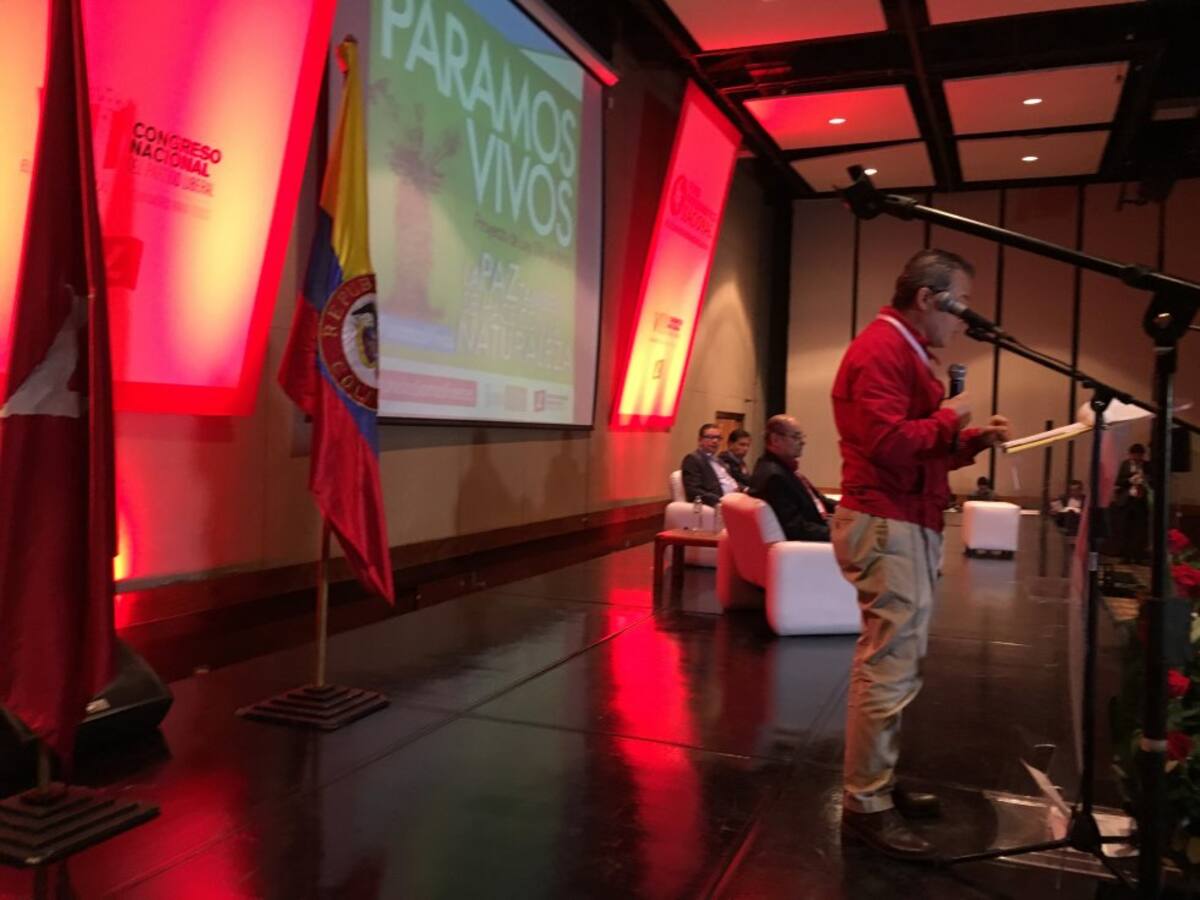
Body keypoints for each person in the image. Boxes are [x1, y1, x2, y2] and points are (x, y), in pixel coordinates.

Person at [830, 248, 1010, 860]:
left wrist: (965, 440)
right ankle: (865, 802)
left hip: (906, 517)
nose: (962, 323)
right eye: (958, 306)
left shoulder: (902, 350)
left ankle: (877, 782)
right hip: (886, 519)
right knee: (888, 664)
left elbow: (915, 445)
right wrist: (948, 420)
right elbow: (887, 442)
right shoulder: (881, 349)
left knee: (897, 663)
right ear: (929, 298)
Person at [749, 415, 835, 541]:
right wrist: (839, 536)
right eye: (796, 437)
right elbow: (795, 528)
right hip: (811, 548)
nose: (802, 441)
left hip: (822, 526)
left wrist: (845, 508)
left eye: (802, 437)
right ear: (775, 440)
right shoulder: (774, 477)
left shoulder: (783, 469)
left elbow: (819, 501)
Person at [680, 423, 741, 507]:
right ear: (700, 440)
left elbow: (729, 481)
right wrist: (720, 500)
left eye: (718, 438)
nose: (715, 441)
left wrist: (743, 489)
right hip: (720, 503)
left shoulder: (719, 460)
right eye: (710, 437)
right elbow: (693, 491)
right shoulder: (693, 459)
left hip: (737, 499)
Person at [1112, 443, 1150, 562]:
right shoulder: (1125, 464)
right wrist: (1130, 479)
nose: (1137, 457)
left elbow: (1153, 480)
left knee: (1140, 530)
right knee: (1125, 528)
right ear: (1131, 455)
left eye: (1139, 455)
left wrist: (1144, 480)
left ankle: (1138, 555)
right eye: (1134, 455)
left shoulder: (1147, 465)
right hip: (1127, 501)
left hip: (1141, 501)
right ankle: (1125, 556)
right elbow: (1118, 481)